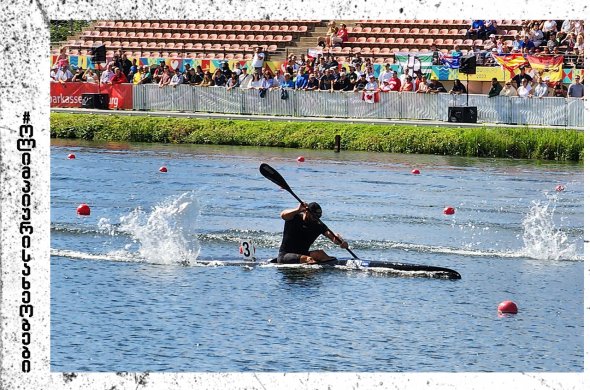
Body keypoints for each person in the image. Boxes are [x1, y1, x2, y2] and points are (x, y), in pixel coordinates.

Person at [277, 202, 348, 264]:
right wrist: (298, 210)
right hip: (285, 255)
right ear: (306, 212)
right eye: (314, 216)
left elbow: (332, 236)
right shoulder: (294, 217)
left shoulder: (318, 225)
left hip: (303, 253)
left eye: (318, 216)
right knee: (309, 259)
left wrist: (341, 241)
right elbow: (283, 215)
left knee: (321, 254)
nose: (316, 219)